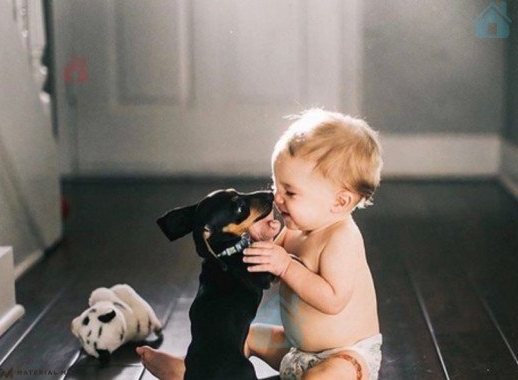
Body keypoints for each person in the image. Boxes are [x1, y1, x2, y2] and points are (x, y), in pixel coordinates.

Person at [137, 108, 383, 379]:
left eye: (290, 192)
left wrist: (286, 266)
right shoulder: (297, 230)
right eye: (276, 187)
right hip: (297, 350)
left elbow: (333, 300)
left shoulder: (342, 239)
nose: (277, 198)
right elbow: (269, 262)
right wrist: (264, 240)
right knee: (242, 335)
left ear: (339, 201)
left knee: (324, 376)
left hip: (345, 357)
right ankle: (196, 368)